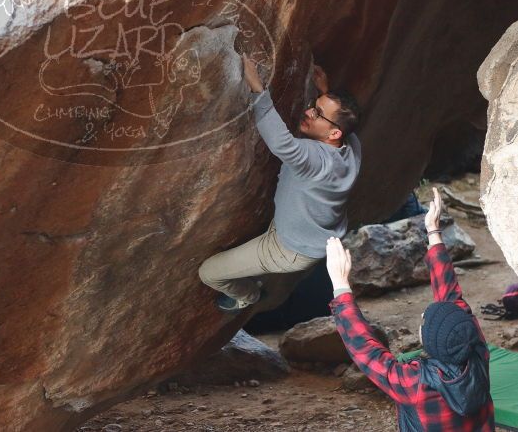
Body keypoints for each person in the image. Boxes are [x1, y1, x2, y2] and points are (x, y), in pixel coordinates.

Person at [198, 56, 362, 311]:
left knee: (209, 273)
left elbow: (281, 142)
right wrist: (325, 93)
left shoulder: (315, 159)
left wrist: (257, 89)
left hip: (288, 249)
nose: (308, 112)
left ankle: (249, 296)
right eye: (314, 106)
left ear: (334, 133)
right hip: (313, 235)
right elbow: (340, 123)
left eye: (317, 113)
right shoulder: (352, 147)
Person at [326, 187, 495, 431]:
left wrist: (340, 283)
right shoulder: (477, 352)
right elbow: (452, 297)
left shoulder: (416, 383)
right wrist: (433, 232)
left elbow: (366, 352)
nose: (422, 320)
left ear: (428, 342)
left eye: (424, 322)